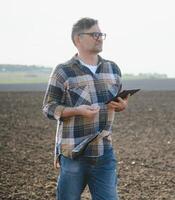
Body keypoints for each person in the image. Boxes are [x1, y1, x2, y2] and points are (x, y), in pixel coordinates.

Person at [42, 17, 128, 200]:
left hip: (104, 151)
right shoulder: (63, 71)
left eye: (101, 34)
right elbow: (49, 107)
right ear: (78, 39)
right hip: (74, 152)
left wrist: (122, 105)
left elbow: (119, 100)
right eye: (94, 34)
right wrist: (77, 111)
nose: (100, 38)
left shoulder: (112, 69)